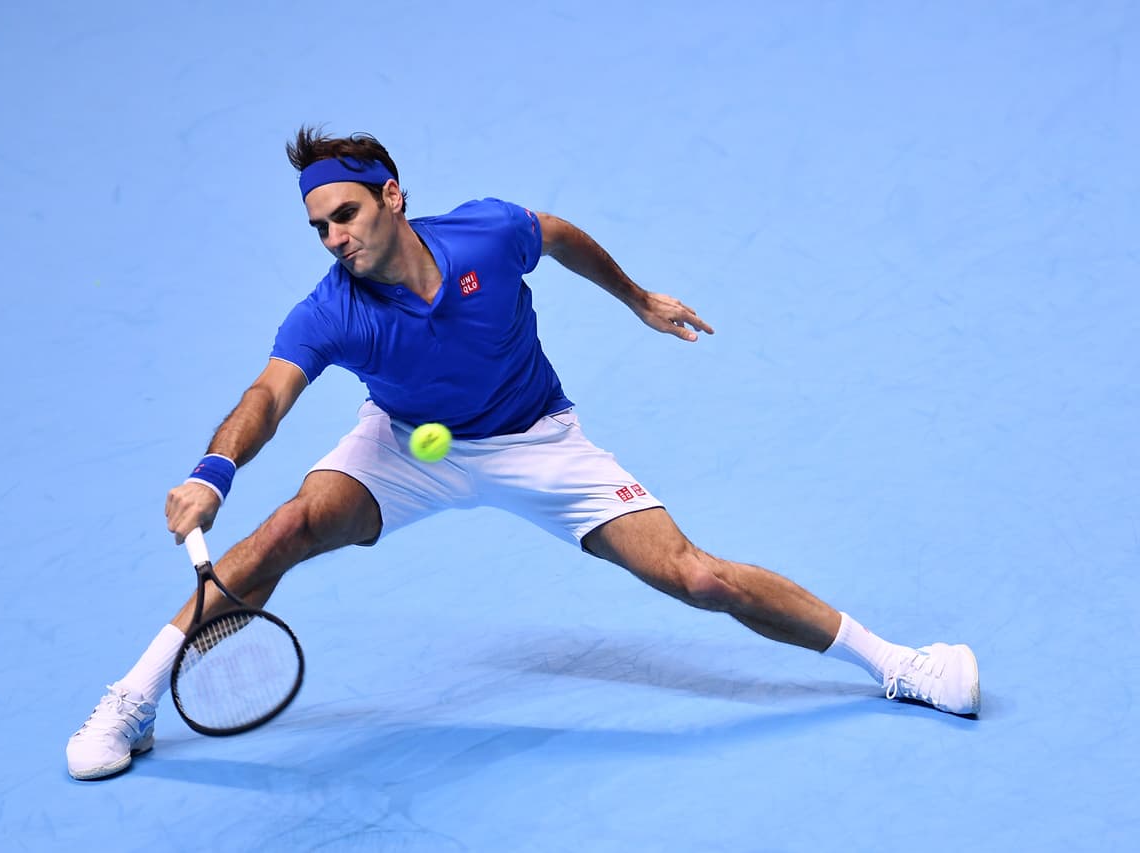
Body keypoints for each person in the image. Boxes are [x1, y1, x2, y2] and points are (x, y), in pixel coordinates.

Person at [66, 127, 980, 780]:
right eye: (319, 229)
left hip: (540, 442)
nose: (335, 239)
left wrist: (635, 297)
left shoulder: (488, 235)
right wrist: (210, 472)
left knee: (700, 577)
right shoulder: (328, 310)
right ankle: (134, 698)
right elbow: (268, 394)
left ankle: (898, 663)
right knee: (289, 527)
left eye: (345, 213)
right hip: (406, 448)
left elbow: (556, 233)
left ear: (392, 195)